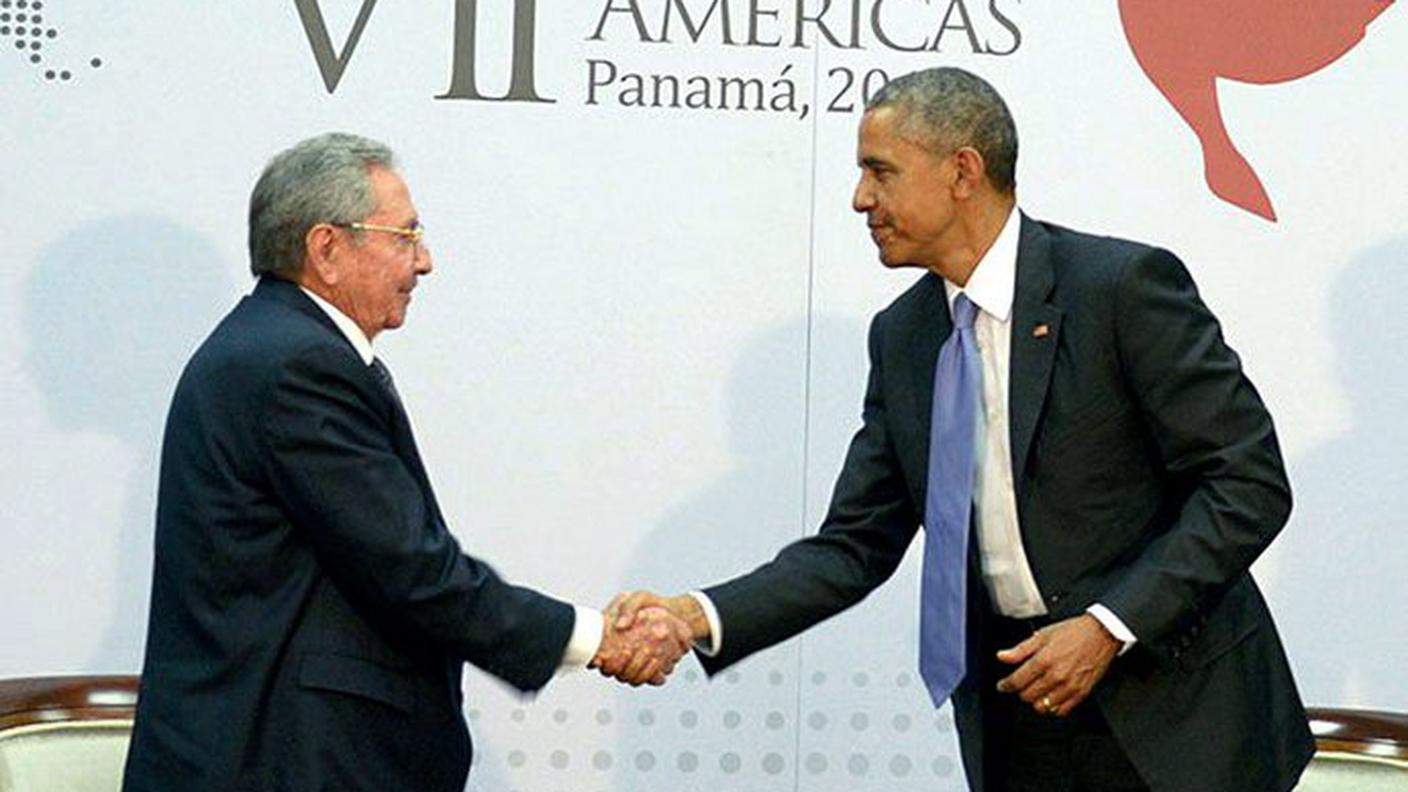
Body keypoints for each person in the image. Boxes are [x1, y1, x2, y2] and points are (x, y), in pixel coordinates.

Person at [612, 68, 1313, 791]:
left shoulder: (1120, 289)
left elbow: (1247, 482)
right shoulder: (907, 336)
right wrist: (692, 618)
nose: (861, 199)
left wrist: (1109, 624)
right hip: (1018, 714)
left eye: (879, 172)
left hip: (1178, 716)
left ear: (962, 172)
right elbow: (854, 546)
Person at [121, 133, 688, 792]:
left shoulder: (272, 350)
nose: (425, 262)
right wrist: (594, 638)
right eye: (405, 236)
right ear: (327, 249)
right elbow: (412, 569)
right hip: (281, 764)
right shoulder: (295, 367)